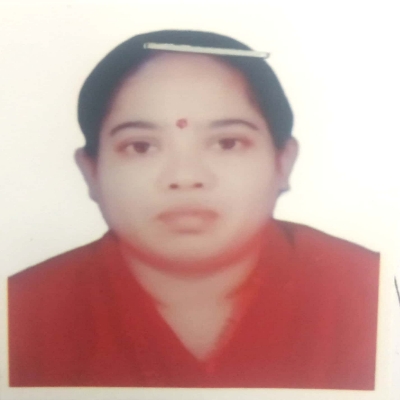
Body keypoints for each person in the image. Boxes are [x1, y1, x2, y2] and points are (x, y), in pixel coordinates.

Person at [8, 29, 379, 389]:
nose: (185, 177)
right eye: (141, 147)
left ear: (283, 162)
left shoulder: (371, 290)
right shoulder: (19, 312)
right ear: (91, 172)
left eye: (227, 143)